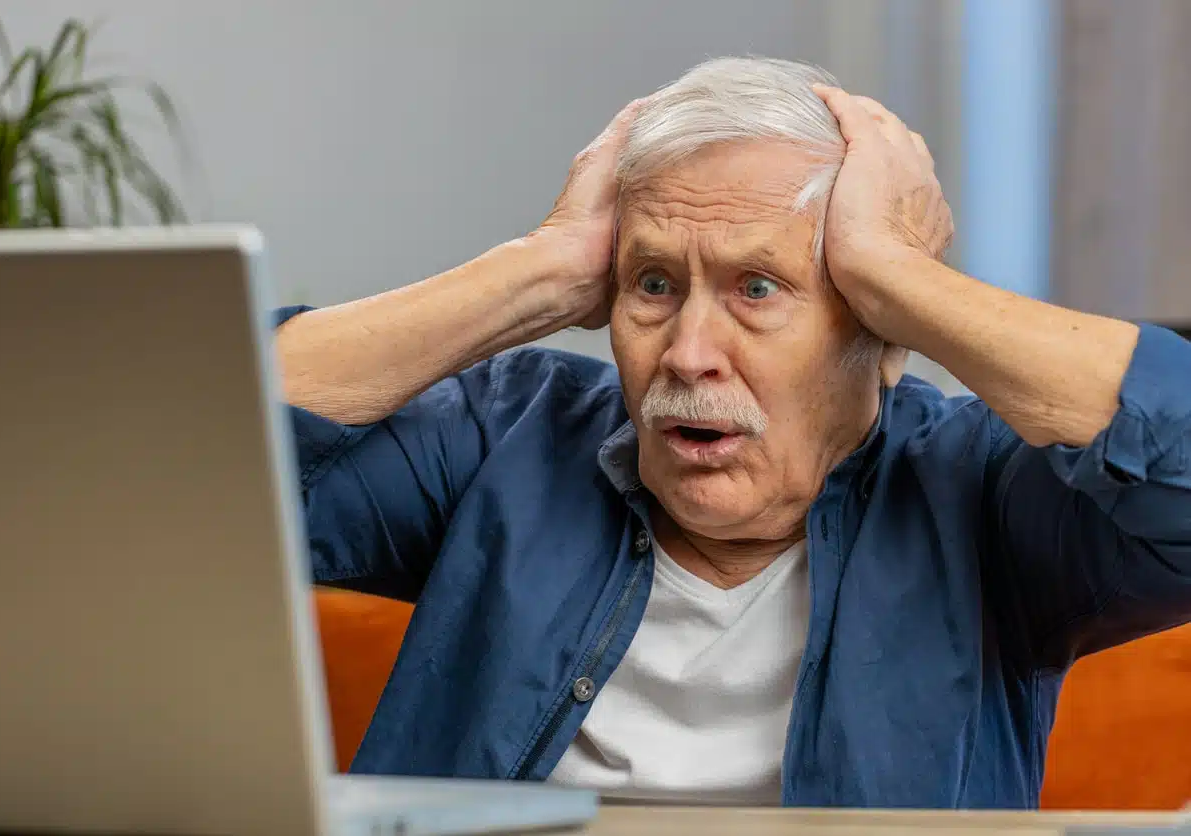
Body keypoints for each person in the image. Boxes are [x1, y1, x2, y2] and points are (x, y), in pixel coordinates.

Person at [273, 57, 1191, 807]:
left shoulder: (982, 492)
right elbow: (188, 468)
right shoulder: (504, 436)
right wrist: (543, 269)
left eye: (758, 288)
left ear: (873, 326)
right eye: (655, 284)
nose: (688, 354)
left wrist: (898, 275)